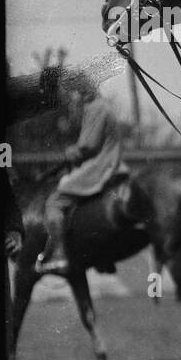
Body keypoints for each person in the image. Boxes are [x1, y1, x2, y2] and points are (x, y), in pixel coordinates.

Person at [35, 81, 129, 276]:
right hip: (112, 163)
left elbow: (89, 145)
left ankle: (59, 254)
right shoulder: (104, 106)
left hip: (101, 166)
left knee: (55, 201)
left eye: (73, 94)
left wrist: (72, 152)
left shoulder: (94, 108)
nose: (72, 99)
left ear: (81, 92)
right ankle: (101, 255)